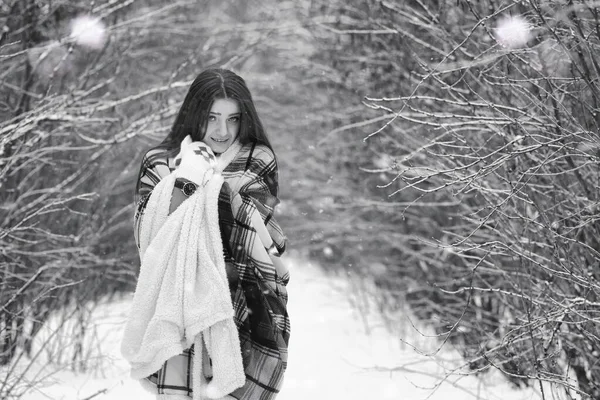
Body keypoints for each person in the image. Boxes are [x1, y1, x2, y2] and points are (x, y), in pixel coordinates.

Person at [122, 69, 290, 400]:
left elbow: (263, 233)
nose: (222, 131)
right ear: (194, 114)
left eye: (233, 118)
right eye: (212, 117)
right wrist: (185, 177)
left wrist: (210, 185)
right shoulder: (160, 162)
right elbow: (149, 235)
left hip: (242, 299)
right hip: (176, 301)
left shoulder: (257, 159)